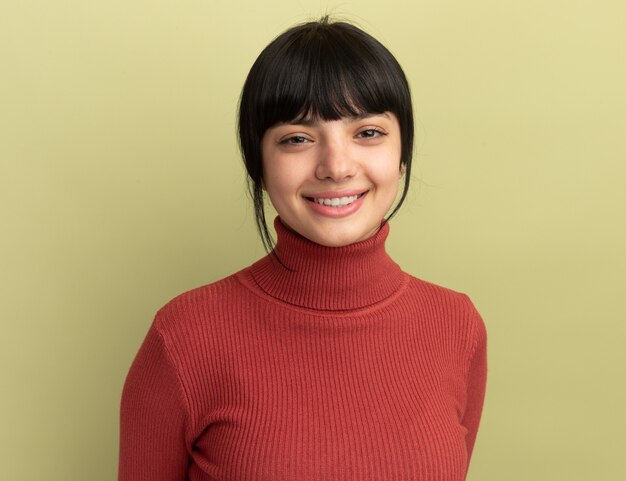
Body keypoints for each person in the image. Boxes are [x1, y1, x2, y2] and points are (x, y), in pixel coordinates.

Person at [118, 17, 487, 481]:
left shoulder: (457, 326)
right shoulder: (183, 337)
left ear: (403, 152)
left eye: (368, 132)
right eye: (297, 138)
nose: (336, 166)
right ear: (260, 165)